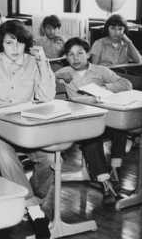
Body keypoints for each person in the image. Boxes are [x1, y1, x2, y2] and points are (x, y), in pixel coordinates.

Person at [0, 20, 55, 239]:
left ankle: (33, 199)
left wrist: (43, 62)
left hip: (25, 126)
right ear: (2, 42)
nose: (15, 48)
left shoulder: (34, 62)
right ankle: (34, 211)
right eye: (10, 43)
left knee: (50, 158)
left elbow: (46, 96)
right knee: (6, 158)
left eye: (20, 43)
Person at [55, 37, 132, 204]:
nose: (75, 58)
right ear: (66, 57)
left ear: (88, 54)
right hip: (80, 122)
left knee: (120, 128)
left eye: (80, 53)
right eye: (70, 55)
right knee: (91, 139)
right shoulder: (65, 72)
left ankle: (114, 170)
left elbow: (126, 84)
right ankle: (105, 184)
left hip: (102, 118)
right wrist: (60, 75)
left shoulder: (100, 70)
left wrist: (105, 88)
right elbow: (48, 79)